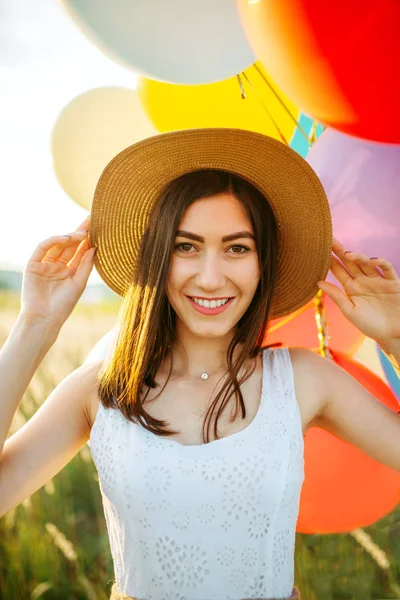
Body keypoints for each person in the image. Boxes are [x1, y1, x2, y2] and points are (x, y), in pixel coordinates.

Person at [0, 128, 399, 600]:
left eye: (237, 248)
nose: (211, 279)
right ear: (156, 258)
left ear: (262, 263)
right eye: (186, 246)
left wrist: (395, 334)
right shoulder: (101, 388)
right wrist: (36, 325)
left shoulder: (303, 379)